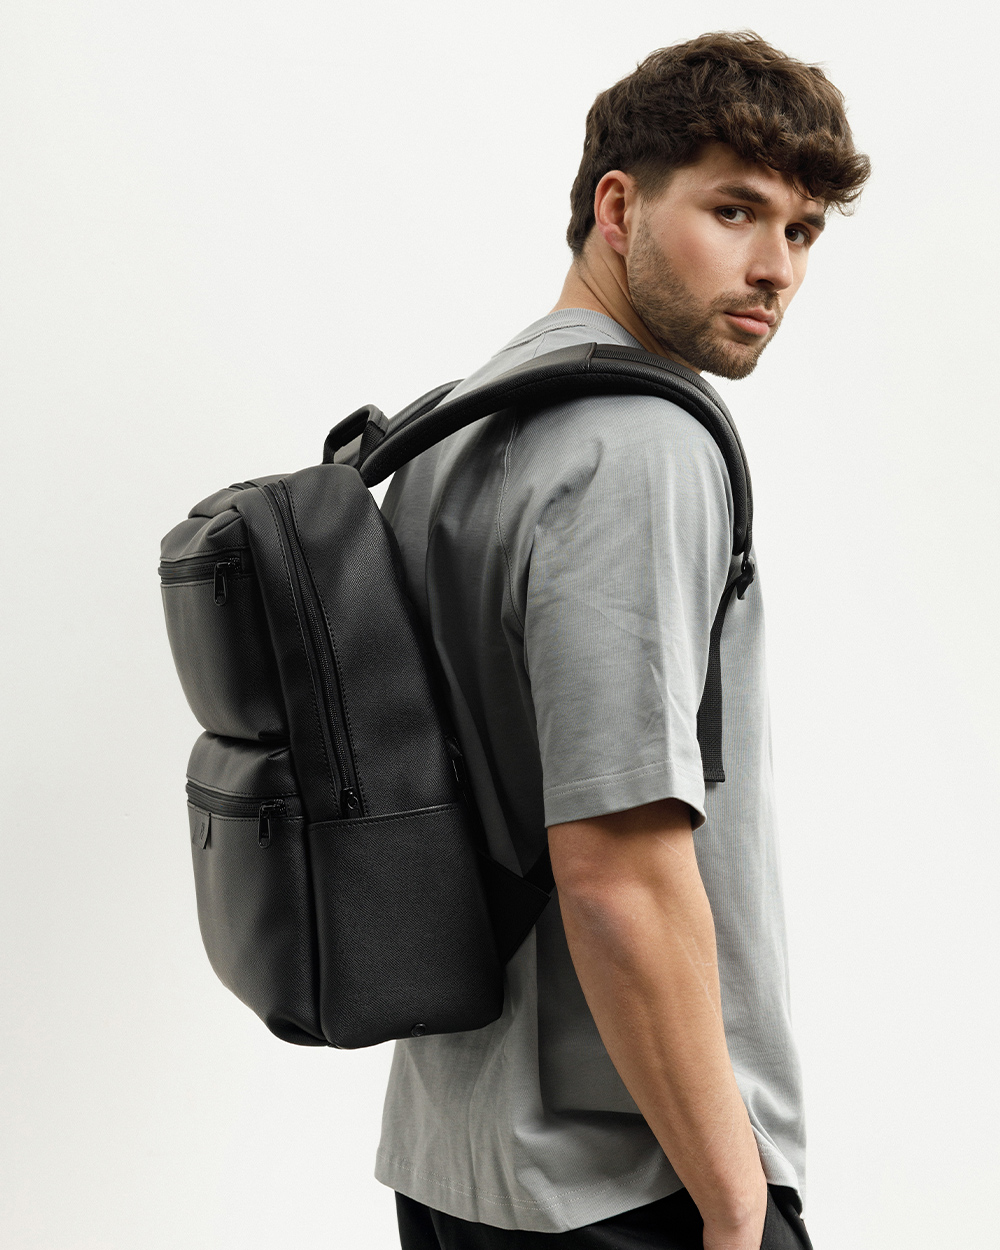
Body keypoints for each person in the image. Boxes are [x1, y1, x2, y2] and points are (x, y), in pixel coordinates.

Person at [376, 31, 870, 1250]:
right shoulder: (638, 447)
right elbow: (616, 869)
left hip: (457, 1151)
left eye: (801, 231)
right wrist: (736, 1204)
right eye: (733, 210)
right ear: (617, 207)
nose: (774, 268)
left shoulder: (457, 424)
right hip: (627, 1174)